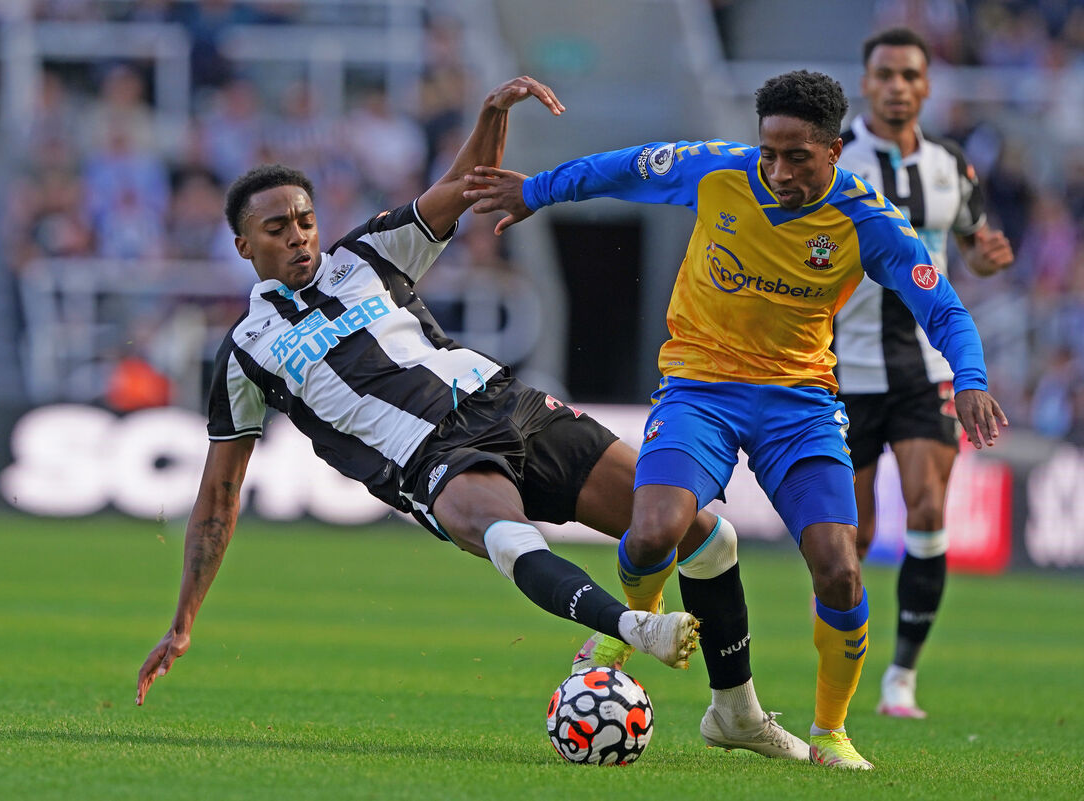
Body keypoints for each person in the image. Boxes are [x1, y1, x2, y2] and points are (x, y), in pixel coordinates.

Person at [463, 69, 1008, 770]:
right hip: (701, 389)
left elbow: (945, 309)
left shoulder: (867, 220)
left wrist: (970, 380)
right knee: (651, 531)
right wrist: (537, 191)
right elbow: (625, 168)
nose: (778, 172)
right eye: (769, 154)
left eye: (797, 158)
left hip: (799, 406)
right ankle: (629, 626)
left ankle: (830, 733)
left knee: (840, 573)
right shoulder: (716, 170)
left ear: (834, 151)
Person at [135, 76, 710, 710]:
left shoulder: (366, 255)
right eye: (277, 228)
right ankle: (629, 628)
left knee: (692, 526)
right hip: (428, 456)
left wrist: (491, 112)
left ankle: (739, 709)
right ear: (244, 246)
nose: (298, 236)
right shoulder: (246, 350)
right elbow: (219, 493)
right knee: (507, 537)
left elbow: (465, 186)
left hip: (502, 400)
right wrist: (183, 621)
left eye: (305, 220)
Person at [832, 27, 1014, 719]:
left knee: (929, 508)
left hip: (926, 369)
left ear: (927, 86)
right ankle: (842, 671)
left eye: (910, 75)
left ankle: (901, 677)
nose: (897, 86)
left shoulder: (951, 165)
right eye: (885, 74)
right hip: (841, 371)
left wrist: (985, 259)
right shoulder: (832, 158)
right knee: (848, 536)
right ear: (866, 82)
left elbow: (971, 244)